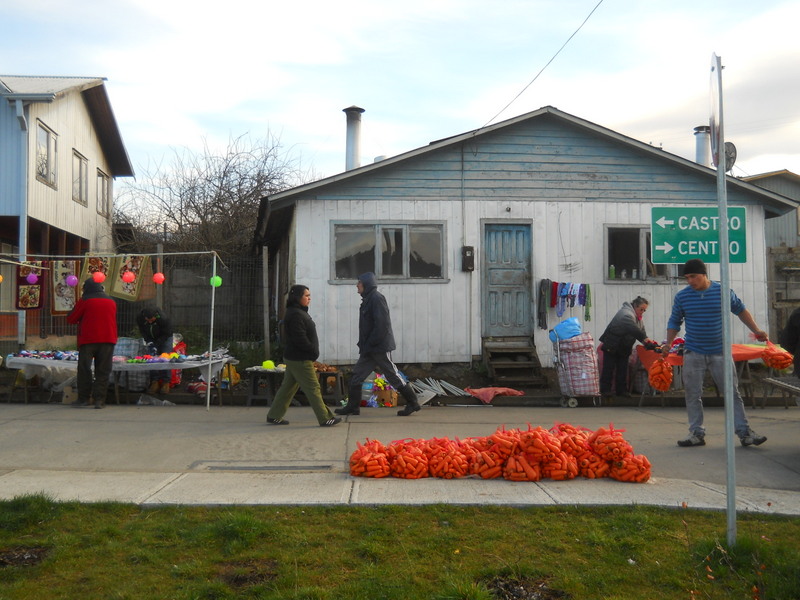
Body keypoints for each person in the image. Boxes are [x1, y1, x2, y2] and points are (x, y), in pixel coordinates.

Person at [666, 258, 768, 448]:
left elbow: (741, 311)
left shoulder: (722, 292)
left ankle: (745, 433)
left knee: (732, 393)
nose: (690, 281)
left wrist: (756, 330)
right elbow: (674, 321)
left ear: (704, 275)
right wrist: (668, 343)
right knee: (692, 394)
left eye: (693, 277)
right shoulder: (682, 297)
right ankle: (696, 434)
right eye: (687, 277)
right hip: (693, 352)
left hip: (720, 352)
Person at [335, 272, 422, 417]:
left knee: (392, 374)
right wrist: (364, 344)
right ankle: (353, 406)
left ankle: (413, 403)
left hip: (379, 347)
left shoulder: (376, 299)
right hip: (369, 348)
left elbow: (382, 325)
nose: (357, 286)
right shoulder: (368, 299)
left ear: (366, 285)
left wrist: (371, 343)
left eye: (359, 283)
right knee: (357, 376)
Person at [266, 285, 341, 427]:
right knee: (313, 388)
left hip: (294, 357)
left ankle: (274, 415)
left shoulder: (297, 312)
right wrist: (312, 351)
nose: (309, 298)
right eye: (306, 296)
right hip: (300, 358)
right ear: (297, 297)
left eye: (309, 295)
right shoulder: (295, 314)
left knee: (288, 388)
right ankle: (325, 418)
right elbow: (299, 338)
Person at [66, 279, 118, 409]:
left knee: (85, 369)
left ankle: (84, 399)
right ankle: (99, 400)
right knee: (103, 370)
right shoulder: (111, 301)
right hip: (108, 340)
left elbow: (72, 318)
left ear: (87, 288)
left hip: (88, 340)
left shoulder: (86, 300)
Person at [599, 296, 657, 398]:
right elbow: (635, 330)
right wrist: (646, 341)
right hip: (612, 344)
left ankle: (621, 391)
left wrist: (648, 342)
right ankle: (605, 390)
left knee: (623, 369)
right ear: (635, 306)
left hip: (624, 346)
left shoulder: (638, 318)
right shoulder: (626, 314)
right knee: (609, 368)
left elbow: (642, 331)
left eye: (644, 310)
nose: (642, 312)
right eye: (641, 309)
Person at [136, 306, 174, 394]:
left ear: (156, 316)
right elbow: (142, 331)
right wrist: (149, 342)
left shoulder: (164, 319)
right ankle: (154, 382)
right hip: (151, 338)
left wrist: (157, 344)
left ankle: (165, 382)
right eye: (147, 320)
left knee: (165, 358)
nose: (149, 322)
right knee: (151, 359)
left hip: (165, 338)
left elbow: (167, 333)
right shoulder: (140, 318)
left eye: (151, 320)